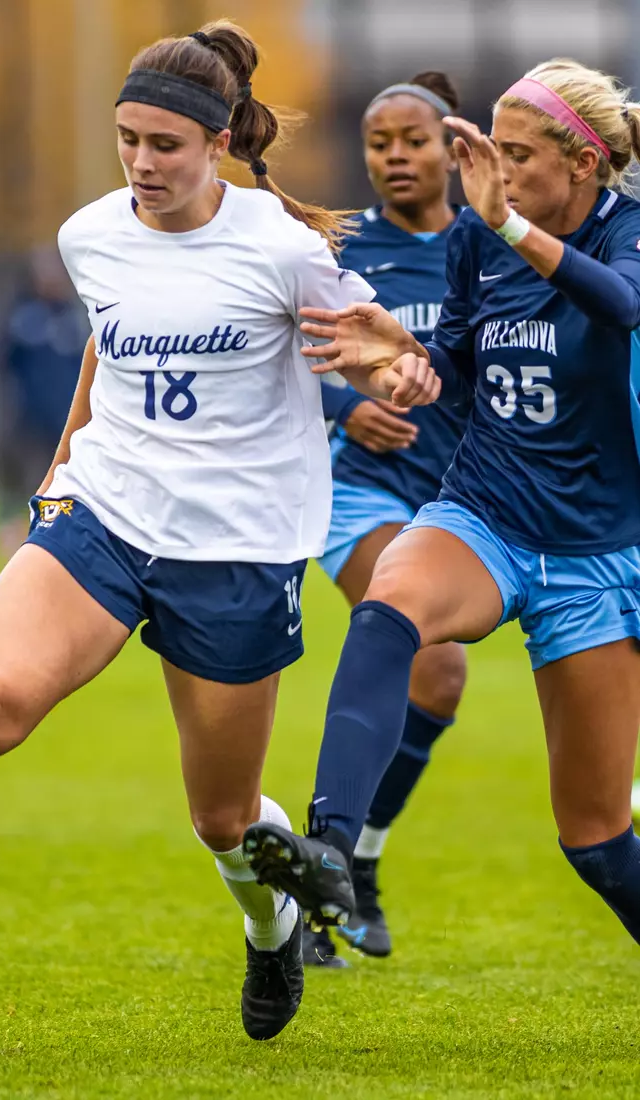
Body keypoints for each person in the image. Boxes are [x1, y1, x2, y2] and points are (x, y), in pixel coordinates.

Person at [0, 21, 437, 1041]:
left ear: (214, 142)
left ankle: (271, 926)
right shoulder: (89, 234)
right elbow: (104, 359)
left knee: (222, 817)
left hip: (236, 552)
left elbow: (372, 358)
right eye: (126, 139)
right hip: (102, 515)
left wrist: (398, 370)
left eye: (164, 144)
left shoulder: (282, 249)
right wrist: (53, 480)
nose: (141, 163)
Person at [243, 60, 640, 955]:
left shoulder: (625, 232)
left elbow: (624, 307)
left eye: (515, 153)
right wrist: (415, 366)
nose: (493, 170)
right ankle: (331, 853)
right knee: (388, 613)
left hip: (598, 557)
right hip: (485, 512)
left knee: (598, 841)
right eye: (490, 150)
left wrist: (506, 222)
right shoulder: (476, 240)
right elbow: (462, 363)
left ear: (581, 163)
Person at [305, 72, 469, 968]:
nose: (395, 157)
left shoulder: (486, 246)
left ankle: (347, 861)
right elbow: (285, 352)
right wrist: (343, 408)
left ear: (452, 146)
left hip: (465, 496)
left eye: (412, 139)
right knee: (427, 659)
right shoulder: (343, 249)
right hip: (363, 492)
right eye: (379, 142)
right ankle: (333, 856)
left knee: (440, 689)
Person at [0, 247, 88, 558]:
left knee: (63, 476)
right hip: (28, 414)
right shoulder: (22, 317)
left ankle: (57, 531)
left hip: (65, 415)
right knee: (18, 473)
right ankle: (9, 531)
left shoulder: (72, 318)